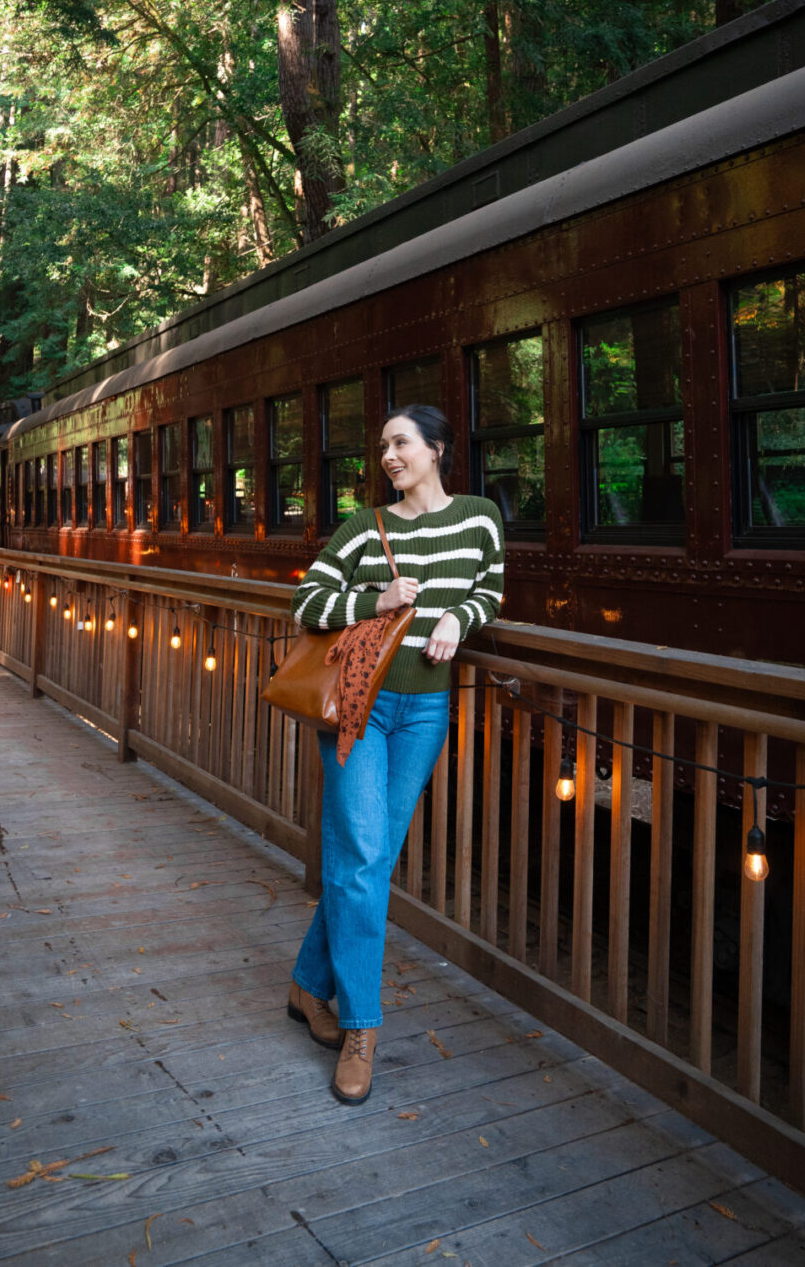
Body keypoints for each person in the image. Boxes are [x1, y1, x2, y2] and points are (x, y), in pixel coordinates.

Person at [286, 404, 505, 1103]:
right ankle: (361, 1029)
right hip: (359, 709)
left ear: (436, 449)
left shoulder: (476, 518)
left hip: (426, 711)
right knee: (361, 858)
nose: (389, 454)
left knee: (368, 859)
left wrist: (454, 617)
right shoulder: (363, 528)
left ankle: (305, 984)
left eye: (401, 442)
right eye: (382, 444)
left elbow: (489, 590)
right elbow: (306, 603)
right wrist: (373, 599)